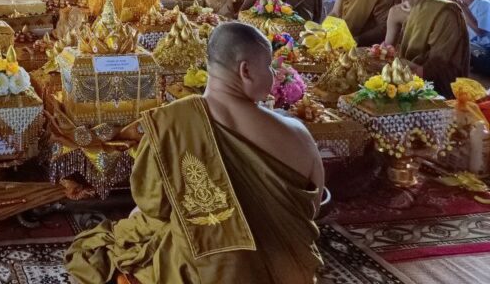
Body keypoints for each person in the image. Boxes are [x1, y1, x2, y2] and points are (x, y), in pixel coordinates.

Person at [66, 21, 323, 284]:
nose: (272, 73)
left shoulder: (173, 123)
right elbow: (312, 210)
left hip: (202, 272)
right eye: (268, 66)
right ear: (245, 70)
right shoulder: (298, 134)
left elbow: (153, 206)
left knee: (98, 248)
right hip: (287, 270)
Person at [384, 0, 468, 96]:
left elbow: (442, 61)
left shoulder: (444, 11)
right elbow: (388, 50)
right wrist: (380, 53)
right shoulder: (395, 11)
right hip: (403, 74)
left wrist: (409, 70)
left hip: (433, 82)